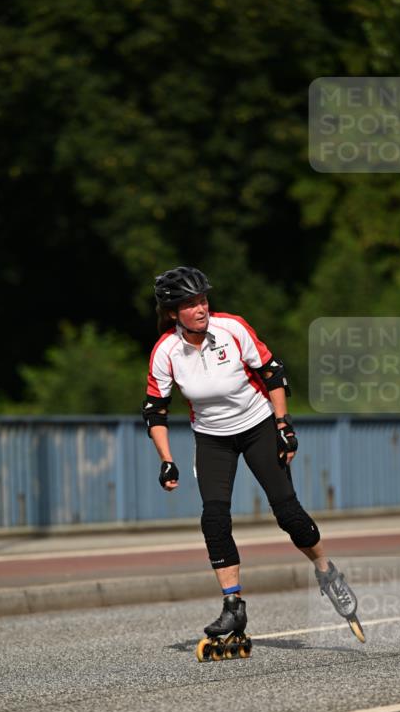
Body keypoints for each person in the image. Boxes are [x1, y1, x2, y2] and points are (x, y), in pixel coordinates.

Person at [142, 266, 364, 659]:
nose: (200, 309)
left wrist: (283, 425)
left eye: (203, 300)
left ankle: (327, 571)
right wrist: (167, 461)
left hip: (258, 425)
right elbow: (156, 412)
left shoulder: (233, 328)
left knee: (288, 513)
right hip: (211, 438)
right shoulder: (166, 352)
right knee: (213, 517)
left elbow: (273, 373)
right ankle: (233, 607)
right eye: (190, 304)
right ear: (173, 312)